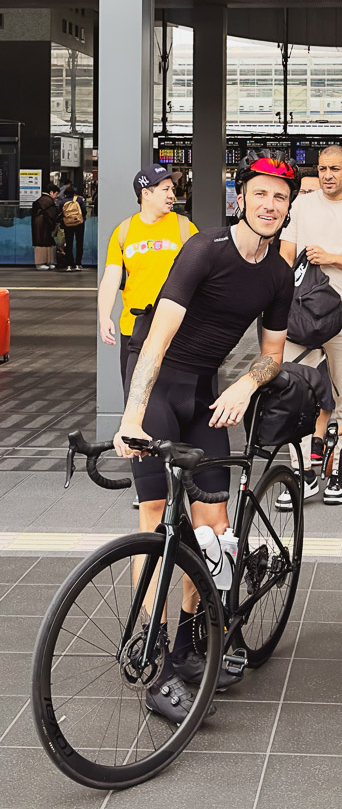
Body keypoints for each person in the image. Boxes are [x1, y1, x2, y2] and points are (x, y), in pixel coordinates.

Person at [112, 155, 295, 723]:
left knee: (214, 527)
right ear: (241, 199)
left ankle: (190, 647)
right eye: (260, 194)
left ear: (289, 207)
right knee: (155, 515)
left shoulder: (277, 273)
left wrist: (246, 382)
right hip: (157, 384)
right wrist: (132, 416)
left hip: (205, 392)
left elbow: (272, 354)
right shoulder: (204, 250)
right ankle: (153, 653)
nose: (269, 205)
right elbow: (156, 341)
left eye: (280, 197)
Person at [279, 143, 342, 504]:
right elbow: (286, 255)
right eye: (322, 169)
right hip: (301, 317)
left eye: (335, 169)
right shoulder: (301, 206)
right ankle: (303, 473)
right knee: (295, 396)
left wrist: (331, 258)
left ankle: (340, 470)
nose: (327, 175)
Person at [98, 164, 199, 394]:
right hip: (134, 330)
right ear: (146, 193)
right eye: (165, 189)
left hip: (177, 329)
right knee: (135, 396)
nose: (172, 195)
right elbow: (111, 277)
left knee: (173, 398)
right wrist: (104, 317)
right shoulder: (124, 232)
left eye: (172, 189)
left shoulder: (185, 228)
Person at [31, 185, 60, 270]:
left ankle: (43, 263)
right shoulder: (48, 201)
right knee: (46, 242)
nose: (56, 196)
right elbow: (53, 214)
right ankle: (43, 262)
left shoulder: (40, 200)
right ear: (51, 192)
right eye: (56, 194)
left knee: (42, 242)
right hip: (45, 225)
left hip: (40, 225)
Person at [60, 181, 88, 271]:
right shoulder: (79, 200)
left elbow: (60, 213)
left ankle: (69, 264)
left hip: (67, 224)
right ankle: (78, 264)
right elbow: (84, 211)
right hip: (79, 224)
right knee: (79, 243)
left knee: (69, 244)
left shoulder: (63, 201)